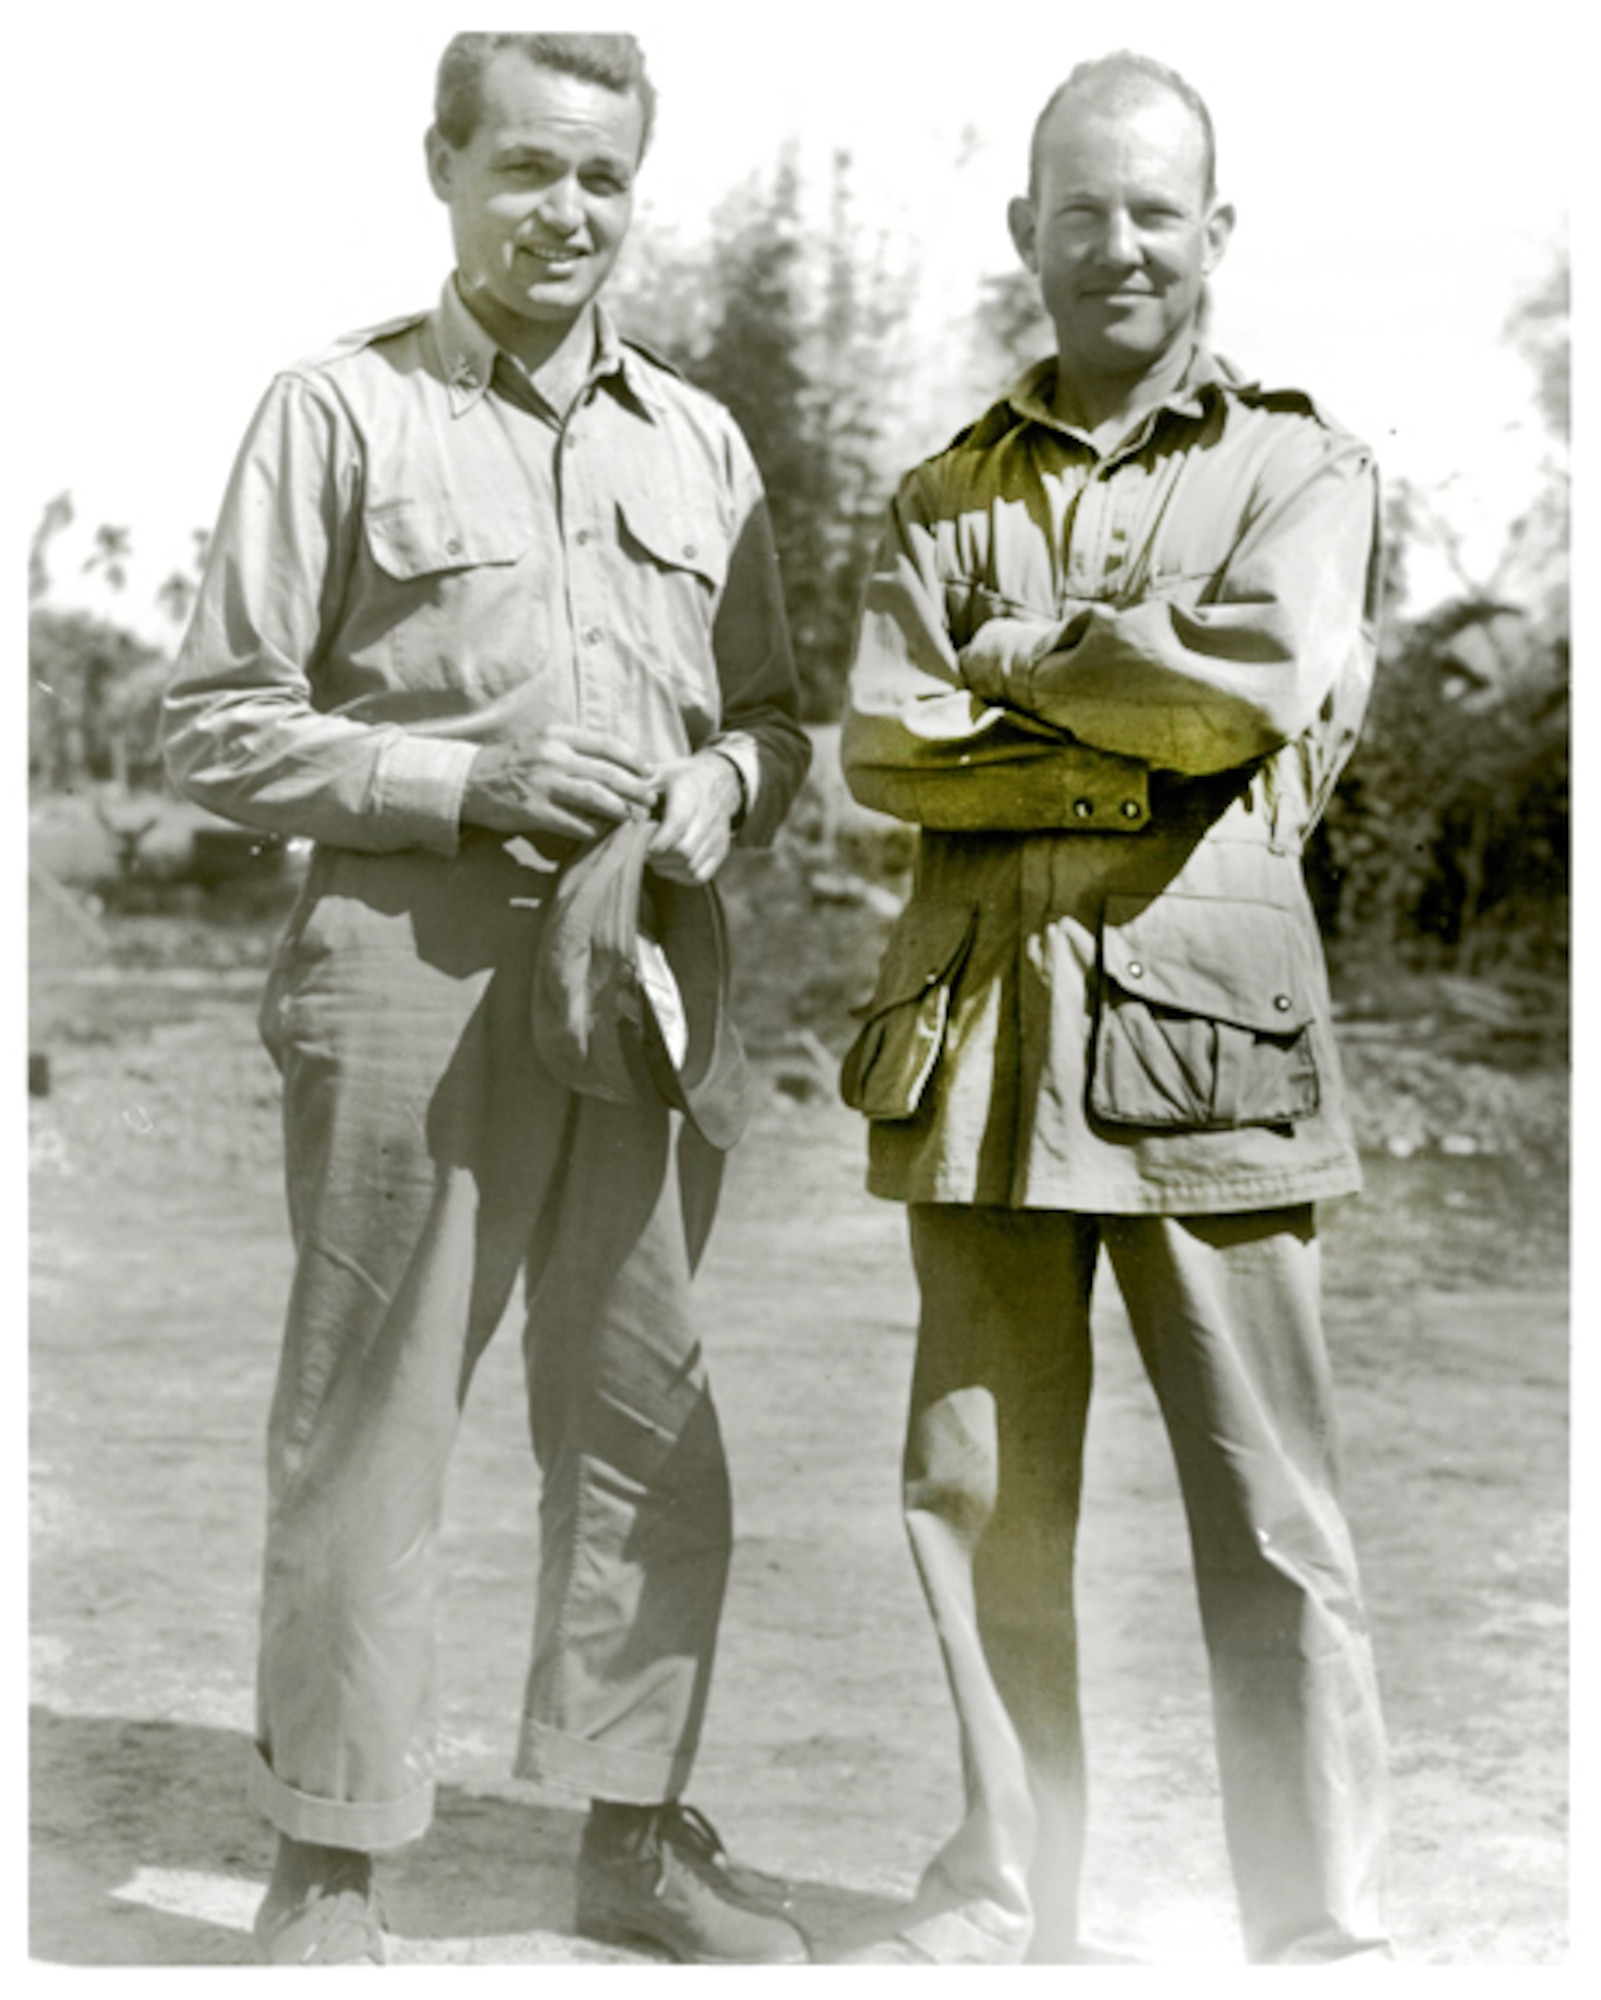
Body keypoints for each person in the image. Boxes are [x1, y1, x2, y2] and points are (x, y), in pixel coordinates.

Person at [162, 31, 811, 1967]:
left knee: (645, 1409)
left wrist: (722, 786)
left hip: (645, 976)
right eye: (524, 167)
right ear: (439, 167)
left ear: (637, 187)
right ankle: (334, 1858)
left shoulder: (702, 443)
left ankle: (632, 1835)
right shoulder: (336, 410)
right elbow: (213, 725)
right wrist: (459, 782)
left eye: (602, 175)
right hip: (408, 972)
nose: (566, 210)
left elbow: (776, 719)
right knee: (373, 1415)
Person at [836, 50, 1392, 1967]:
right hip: (979, 1052)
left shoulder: (1299, 467)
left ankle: (1313, 1920)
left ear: (1214, 235)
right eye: (1079, 211)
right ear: (1026, 235)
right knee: (975, 1496)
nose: (1117, 245)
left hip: (1207, 1051)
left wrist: (1023, 671)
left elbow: (1250, 687)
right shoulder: (939, 490)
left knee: (1271, 1514)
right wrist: (1122, 725)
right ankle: (1010, 1890)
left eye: (1155, 211)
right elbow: (891, 749)